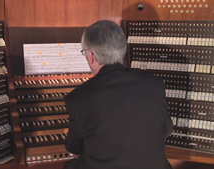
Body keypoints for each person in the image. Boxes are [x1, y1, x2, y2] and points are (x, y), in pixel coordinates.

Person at [63, 20, 173, 169]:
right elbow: (166, 130)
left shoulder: (79, 97)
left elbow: (74, 147)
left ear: (91, 55)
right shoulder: (154, 85)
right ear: (123, 49)